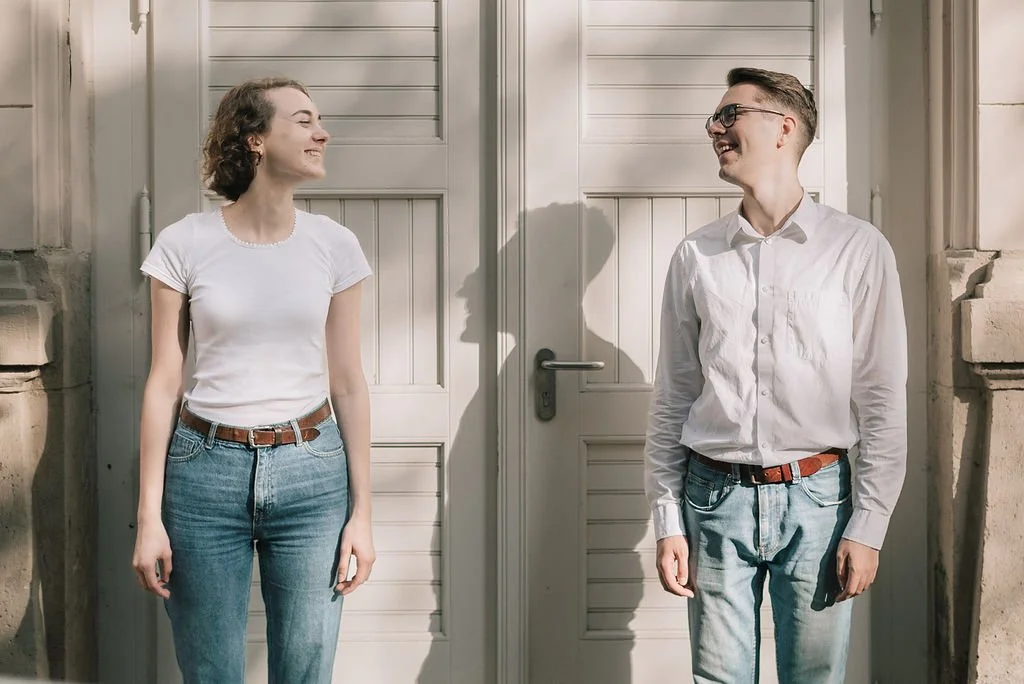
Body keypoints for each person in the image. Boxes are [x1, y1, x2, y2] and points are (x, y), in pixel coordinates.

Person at [643, 67, 908, 682]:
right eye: (715, 117)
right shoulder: (697, 255)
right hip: (712, 500)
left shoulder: (856, 248)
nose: (715, 127)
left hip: (819, 500)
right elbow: (674, 397)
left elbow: (881, 397)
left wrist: (868, 526)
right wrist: (666, 519)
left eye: (730, 113)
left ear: (783, 127)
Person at [130, 77, 375, 683]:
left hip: (312, 474)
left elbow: (348, 382)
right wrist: (148, 517)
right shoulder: (184, 242)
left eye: (319, 120)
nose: (322, 132)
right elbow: (164, 381)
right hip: (203, 473)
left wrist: (362, 513)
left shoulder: (334, 245)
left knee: (304, 671)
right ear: (256, 139)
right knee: (210, 670)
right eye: (303, 119)